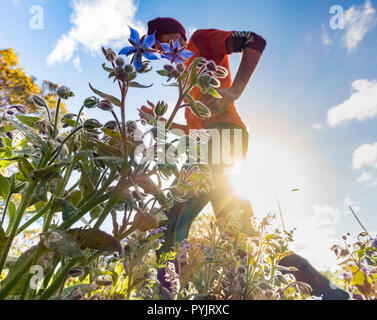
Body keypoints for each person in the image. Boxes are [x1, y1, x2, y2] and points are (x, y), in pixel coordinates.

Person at [140, 17, 349, 300]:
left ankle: (166, 297)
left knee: (172, 220)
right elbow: (192, 129)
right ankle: (331, 293)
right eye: (155, 50)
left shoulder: (200, 40)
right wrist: (161, 123)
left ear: (173, 33)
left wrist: (233, 91)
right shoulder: (185, 77)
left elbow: (254, 41)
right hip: (210, 140)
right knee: (242, 236)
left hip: (223, 136)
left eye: (159, 44)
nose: (161, 53)